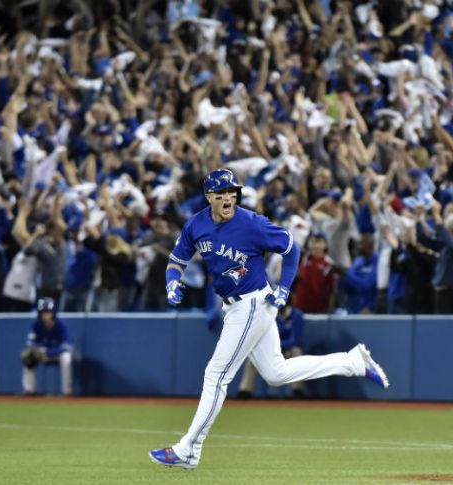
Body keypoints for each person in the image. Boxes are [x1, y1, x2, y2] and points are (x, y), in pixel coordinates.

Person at [149, 169, 389, 470]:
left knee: (216, 374)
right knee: (276, 373)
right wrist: (172, 281)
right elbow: (177, 260)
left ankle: (188, 449)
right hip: (234, 306)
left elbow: (291, 248)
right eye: (221, 193)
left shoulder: (251, 223)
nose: (227, 197)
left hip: (253, 303)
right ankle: (353, 362)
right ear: (209, 196)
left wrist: (285, 288)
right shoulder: (196, 224)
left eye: (232, 192)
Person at [237, 295, 307, 399]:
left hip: (288, 351)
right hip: (272, 351)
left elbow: (295, 340)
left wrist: (278, 345)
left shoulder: (296, 315)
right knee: (253, 357)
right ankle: (245, 391)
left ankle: (297, 391)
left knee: (297, 352)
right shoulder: (270, 314)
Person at [20, 297, 73, 396]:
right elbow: (30, 342)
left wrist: (48, 352)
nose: (46, 315)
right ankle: (29, 390)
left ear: (53, 313)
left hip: (57, 354)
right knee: (28, 358)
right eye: (43, 312)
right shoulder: (37, 325)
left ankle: (67, 392)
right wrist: (36, 351)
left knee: (66, 358)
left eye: (48, 312)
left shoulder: (61, 325)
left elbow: (67, 347)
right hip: (42, 354)